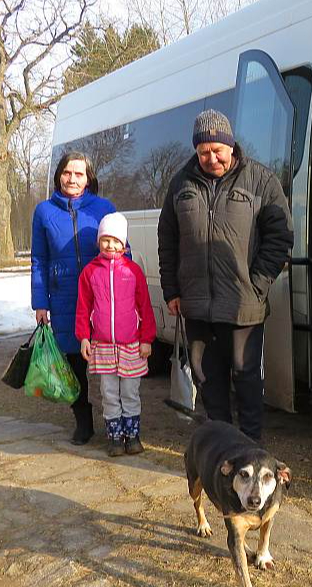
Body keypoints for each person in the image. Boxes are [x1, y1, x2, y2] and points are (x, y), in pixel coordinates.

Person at [158, 109, 293, 442]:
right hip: (197, 304)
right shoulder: (180, 183)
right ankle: (222, 443)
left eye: (217, 150)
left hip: (243, 304)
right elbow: (167, 240)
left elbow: (280, 237)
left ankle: (250, 445)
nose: (211, 158)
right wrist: (171, 289)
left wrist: (258, 283)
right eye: (203, 151)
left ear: (231, 145)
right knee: (207, 378)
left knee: (246, 377)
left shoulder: (261, 180)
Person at [31, 152, 117, 445]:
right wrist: (40, 302)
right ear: (59, 176)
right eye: (67, 173)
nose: (72, 179)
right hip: (64, 296)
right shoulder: (44, 212)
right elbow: (39, 259)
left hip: (102, 294)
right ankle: (83, 420)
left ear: (88, 178)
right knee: (73, 361)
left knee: (109, 360)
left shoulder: (104, 208)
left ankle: (117, 422)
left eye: (79, 174)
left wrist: (125, 289)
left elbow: (122, 250)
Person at [75, 213, 156, 456]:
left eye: (115, 240)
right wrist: (84, 337)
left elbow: (145, 306)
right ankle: (115, 439)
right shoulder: (90, 272)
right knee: (109, 394)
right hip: (103, 346)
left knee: (130, 392)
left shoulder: (133, 271)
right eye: (105, 240)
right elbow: (83, 307)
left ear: (124, 243)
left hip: (131, 345)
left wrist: (146, 339)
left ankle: (132, 436)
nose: (110, 245)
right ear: (99, 242)